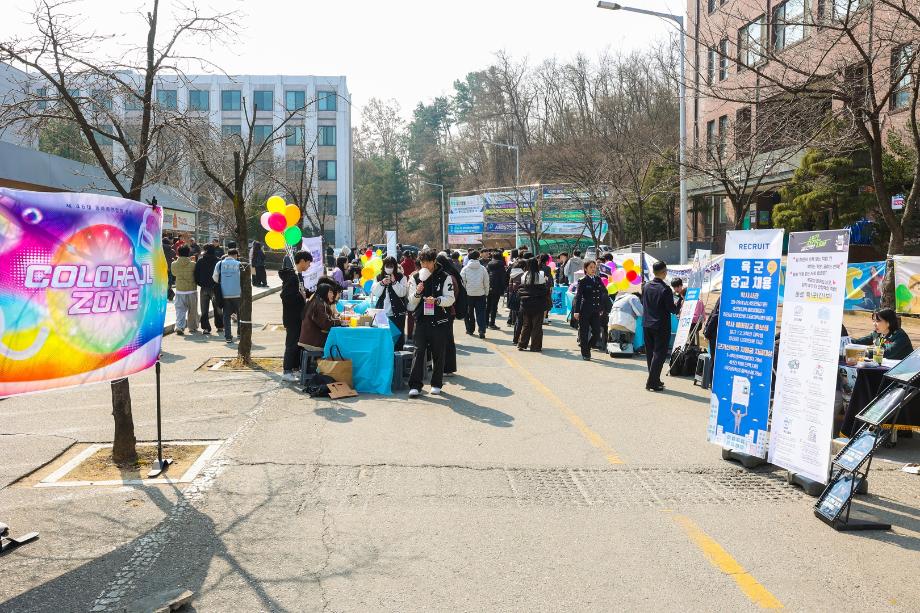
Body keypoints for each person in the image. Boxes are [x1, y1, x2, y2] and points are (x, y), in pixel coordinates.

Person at [407, 249, 456, 397]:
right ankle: (415, 385)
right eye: (422, 262)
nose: (425, 265)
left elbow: (451, 298)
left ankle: (436, 383)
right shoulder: (415, 278)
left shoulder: (444, 277)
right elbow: (410, 303)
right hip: (421, 320)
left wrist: (437, 300)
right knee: (418, 352)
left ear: (434, 261)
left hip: (440, 320)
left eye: (428, 262)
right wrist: (417, 293)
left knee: (438, 353)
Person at [642, 260, 682, 391]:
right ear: (664, 272)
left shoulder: (646, 286)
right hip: (660, 326)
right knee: (659, 354)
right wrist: (679, 304)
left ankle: (655, 379)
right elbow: (672, 309)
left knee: (650, 354)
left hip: (647, 324)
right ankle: (652, 382)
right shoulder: (665, 289)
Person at [280, 250, 313, 381]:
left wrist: (310, 294)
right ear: (303, 261)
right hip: (292, 317)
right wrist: (301, 296)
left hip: (298, 316)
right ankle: (287, 371)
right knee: (291, 344)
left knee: (297, 344)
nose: (309, 266)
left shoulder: (298, 276)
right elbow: (285, 296)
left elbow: (301, 292)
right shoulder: (293, 276)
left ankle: (295, 369)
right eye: (309, 263)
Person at [371, 256, 409, 350]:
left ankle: (397, 362)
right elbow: (375, 292)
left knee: (397, 340)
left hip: (397, 314)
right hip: (382, 314)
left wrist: (394, 282)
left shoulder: (401, 277)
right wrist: (382, 283)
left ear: (395, 267)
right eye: (387, 265)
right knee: (382, 340)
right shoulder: (378, 277)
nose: (389, 268)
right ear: (383, 266)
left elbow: (403, 293)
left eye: (391, 266)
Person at [573, 260, 607, 360]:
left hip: (596, 310)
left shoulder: (598, 279)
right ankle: (585, 353)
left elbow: (603, 293)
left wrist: (601, 307)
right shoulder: (582, 280)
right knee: (584, 332)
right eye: (591, 267)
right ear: (586, 269)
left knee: (596, 333)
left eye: (594, 267)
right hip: (585, 310)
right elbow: (578, 296)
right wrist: (576, 311)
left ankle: (587, 347)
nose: (593, 269)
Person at [437, 252, 464, 376]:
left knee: (446, 340)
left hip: (448, 311)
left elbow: (454, 295)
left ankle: (447, 368)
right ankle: (446, 367)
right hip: (448, 311)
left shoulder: (448, 277)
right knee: (446, 339)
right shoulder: (453, 274)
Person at [517, 258, 551, 352]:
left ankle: (522, 344)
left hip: (526, 304)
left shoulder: (524, 275)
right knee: (537, 326)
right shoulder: (540, 276)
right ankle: (535, 346)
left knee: (526, 325)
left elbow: (521, 288)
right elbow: (544, 290)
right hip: (538, 305)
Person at [299, 282, 339, 351]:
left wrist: (336, 320)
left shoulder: (317, 301)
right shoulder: (319, 304)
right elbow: (326, 324)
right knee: (339, 346)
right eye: (330, 292)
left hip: (309, 338)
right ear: (324, 292)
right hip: (313, 341)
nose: (333, 295)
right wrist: (339, 321)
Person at [213, 248, 242, 344]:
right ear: (236, 255)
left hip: (224, 294)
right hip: (237, 293)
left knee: (226, 316)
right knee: (240, 314)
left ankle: (228, 337)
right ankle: (240, 334)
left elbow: (215, 278)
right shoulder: (238, 264)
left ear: (227, 254)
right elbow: (243, 279)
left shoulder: (220, 264)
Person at [195, 244, 223, 336]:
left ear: (205, 251)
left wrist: (200, 283)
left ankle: (206, 328)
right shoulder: (219, 261)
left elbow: (196, 275)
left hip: (204, 288)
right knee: (218, 308)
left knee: (204, 310)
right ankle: (219, 326)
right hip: (216, 288)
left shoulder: (200, 261)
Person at [461, 250, 490, 339]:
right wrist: (486, 292)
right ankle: (481, 330)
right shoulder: (482, 268)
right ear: (478, 257)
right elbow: (486, 282)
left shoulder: (465, 269)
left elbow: (462, 282)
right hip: (480, 294)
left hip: (468, 294)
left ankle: (470, 329)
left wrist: (465, 291)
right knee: (481, 313)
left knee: (469, 313)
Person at [171, 245, 200, 336]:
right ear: (188, 253)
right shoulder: (193, 264)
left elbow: (174, 273)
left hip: (180, 290)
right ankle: (192, 327)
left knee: (180, 309)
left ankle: (179, 326)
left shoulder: (174, 264)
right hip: (191, 290)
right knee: (193, 310)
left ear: (178, 253)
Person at [486, 252, 507, 330]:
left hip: (488, 287)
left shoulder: (489, 264)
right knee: (494, 306)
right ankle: (492, 323)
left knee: (488, 305)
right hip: (497, 288)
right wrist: (504, 288)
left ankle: (486, 323)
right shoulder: (501, 265)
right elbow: (503, 278)